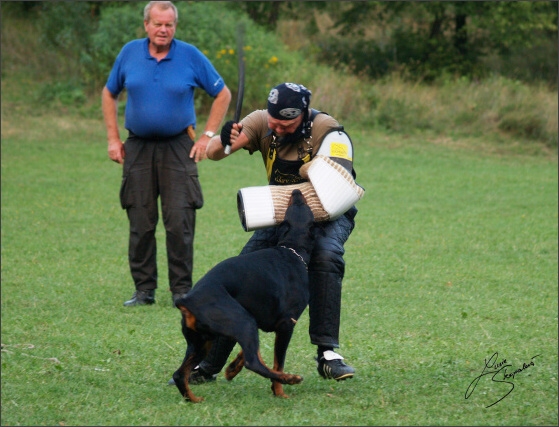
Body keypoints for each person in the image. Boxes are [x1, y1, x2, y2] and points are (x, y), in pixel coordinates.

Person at [184, 82, 360, 382]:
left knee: (326, 257)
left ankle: (328, 354)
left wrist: (307, 172)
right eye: (273, 120)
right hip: (281, 214)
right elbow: (215, 153)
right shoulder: (260, 121)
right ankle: (209, 364)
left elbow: (335, 185)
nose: (276, 127)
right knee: (244, 271)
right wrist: (223, 140)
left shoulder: (328, 131)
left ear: (303, 115)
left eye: (285, 122)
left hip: (330, 211)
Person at [101, 1, 231, 307]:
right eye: (158, 24)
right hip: (137, 147)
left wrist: (207, 136)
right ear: (146, 25)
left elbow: (222, 94)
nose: (163, 30)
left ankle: (182, 292)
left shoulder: (190, 55)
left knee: (179, 220)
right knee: (140, 220)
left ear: (175, 26)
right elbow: (110, 92)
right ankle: (144, 290)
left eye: (169, 24)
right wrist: (112, 138)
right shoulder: (129, 53)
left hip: (178, 148)